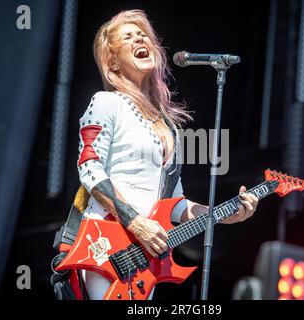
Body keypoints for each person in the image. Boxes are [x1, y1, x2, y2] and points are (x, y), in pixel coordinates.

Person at [77, 9, 259, 300]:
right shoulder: (106, 102)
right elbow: (90, 168)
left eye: (143, 35)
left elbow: (174, 204)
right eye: (129, 36)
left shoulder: (169, 126)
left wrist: (226, 215)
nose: (140, 39)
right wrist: (136, 222)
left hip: (142, 257)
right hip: (109, 245)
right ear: (112, 60)